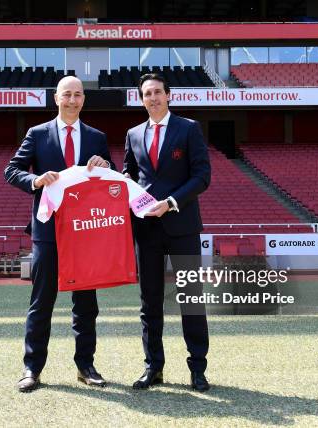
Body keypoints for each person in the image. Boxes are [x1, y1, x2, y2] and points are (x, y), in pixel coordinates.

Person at [4, 76, 114, 393]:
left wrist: (104, 164)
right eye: (67, 94)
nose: (72, 100)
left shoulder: (96, 137)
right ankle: (32, 368)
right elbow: (11, 170)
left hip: (85, 233)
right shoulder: (37, 134)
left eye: (78, 94)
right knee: (42, 303)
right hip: (48, 231)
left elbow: (112, 177)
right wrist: (36, 181)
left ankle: (85, 366)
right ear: (56, 98)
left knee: (86, 305)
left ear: (83, 100)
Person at [123, 73, 212, 391]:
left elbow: (202, 176)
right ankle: (153, 367)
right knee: (149, 302)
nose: (153, 97)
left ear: (169, 95)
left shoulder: (189, 129)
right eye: (147, 93)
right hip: (146, 229)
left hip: (182, 226)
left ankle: (198, 369)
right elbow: (129, 176)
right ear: (141, 99)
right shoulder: (133, 134)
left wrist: (171, 202)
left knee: (191, 300)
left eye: (158, 92)